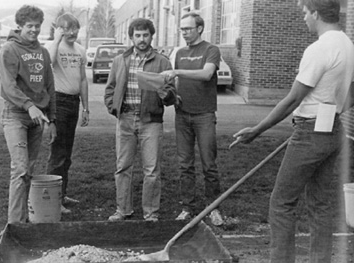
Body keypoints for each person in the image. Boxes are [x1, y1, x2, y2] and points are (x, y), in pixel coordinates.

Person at [233, 0, 354, 262]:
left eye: (305, 13)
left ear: (316, 13)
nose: (304, 19)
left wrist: (257, 130)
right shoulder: (348, 44)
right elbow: (351, 94)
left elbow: (292, 100)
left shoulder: (319, 48)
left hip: (310, 133)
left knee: (282, 203)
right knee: (320, 204)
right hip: (334, 130)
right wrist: (332, 107)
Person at [104, 18, 176, 222]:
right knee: (122, 167)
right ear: (131, 37)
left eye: (145, 35)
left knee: (151, 170)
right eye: (138, 35)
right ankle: (123, 210)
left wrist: (164, 93)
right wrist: (114, 107)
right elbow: (110, 89)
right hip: (125, 119)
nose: (142, 39)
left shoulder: (162, 62)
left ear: (151, 36)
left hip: (151, 121)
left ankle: (151, 213)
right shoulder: (121, 60)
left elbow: (172, 96)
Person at [161, 12, 223, 226]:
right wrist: (172, 94)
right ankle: (187, 207)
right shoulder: (179, 52)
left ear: (199, 28)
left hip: (204, 115)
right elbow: (177, 85)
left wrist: (177, 72)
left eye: (187, 28)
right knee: (185, 165)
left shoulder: (211, 50)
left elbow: (206, 74)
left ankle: (214, 208)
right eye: (182, 29)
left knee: (209, 165)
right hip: (182, 115)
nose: (184, 32)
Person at [0, 5, 56, 224]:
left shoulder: (42, 52)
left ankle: (25, 220)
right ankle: (15, 225)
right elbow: (8, 86)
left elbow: (49, 86)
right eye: (29, 26)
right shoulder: (10, 49)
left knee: (29, 171)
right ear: (20, 26)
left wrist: (52, 119)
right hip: (15, 115)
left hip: (38, 117)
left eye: (37, 26)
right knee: (20, 170)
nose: (33, 30)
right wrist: (28, 105)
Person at [45, 13, 89, 214]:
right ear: (59, 29)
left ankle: (61, 194)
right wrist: (56, 39)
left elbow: (82, 80)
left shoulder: (80, 49)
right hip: (58, 102)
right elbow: (50, 62)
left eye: (75, 29)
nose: (72, 33)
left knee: (66, 154)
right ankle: (53, 200)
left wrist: (85, 107)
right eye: (67, 28)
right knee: (58, 155)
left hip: (73, 102)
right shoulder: (52, 47)